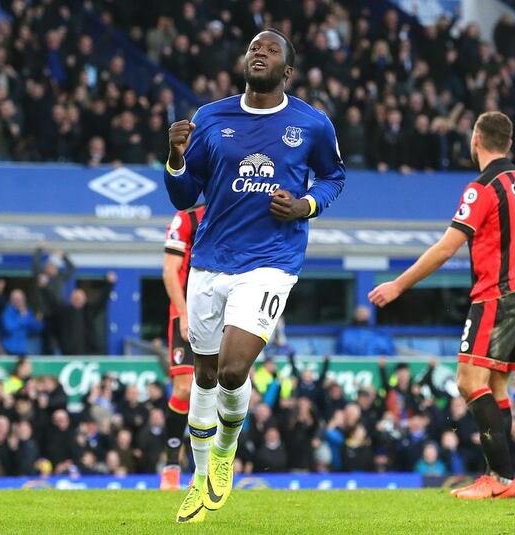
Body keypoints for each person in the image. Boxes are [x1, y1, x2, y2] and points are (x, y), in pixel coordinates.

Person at [164, 28, 345, 522]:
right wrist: (177, 160)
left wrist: (305, 205)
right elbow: (185, 196)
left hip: (271, 261)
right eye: (252, 48)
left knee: (232, 368)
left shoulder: (310, 124)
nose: (257, 53)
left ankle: (224, 454)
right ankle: (199, 484)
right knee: (203, 377)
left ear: (287, 72)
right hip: (210, 260)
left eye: (269, 50)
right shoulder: (210, 117)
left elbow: (333, 177)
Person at [370, 111, 515, 500]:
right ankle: (498, 476)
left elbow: (447, 247)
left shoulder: (482, 187)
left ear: (475, 139)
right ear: (509, 143)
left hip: (498, 292)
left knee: (467, 381)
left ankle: (500, 477)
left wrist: (398, 285)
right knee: (495, 383)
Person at [160, 204, 206, 490]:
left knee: (214, 390)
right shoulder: (187, 218)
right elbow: (169, 272)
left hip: (222, 310)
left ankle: (206, 469)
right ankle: (171, 468)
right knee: (184, 388)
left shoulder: (234, 211)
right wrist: (184, 312)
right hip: (186, 312)